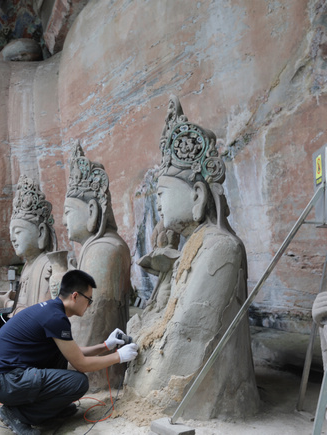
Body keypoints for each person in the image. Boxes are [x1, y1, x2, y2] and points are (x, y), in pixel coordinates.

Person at [125, 96, 259, 419]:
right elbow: (166, 316)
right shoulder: (192, 247)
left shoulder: (220, 249)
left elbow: (188, 336)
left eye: (162, 193)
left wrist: (140, 345)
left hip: (204, 397)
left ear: (197, 195)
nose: (158, 204)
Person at [0, 270, 138, 435]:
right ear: (75, 296)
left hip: (7, 377)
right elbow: (81, 364)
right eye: (89, 300)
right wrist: (119, 356)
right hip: (6, 381)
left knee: (59, 355)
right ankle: (16, 415)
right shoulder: (55, 318)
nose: (89, 305)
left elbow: (73, 352)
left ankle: (49, 409)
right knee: (79, 383)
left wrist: (106, 346)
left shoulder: (53, 311)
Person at [62, 141, 132, 389]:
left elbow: (87, 322)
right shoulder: (97, 247)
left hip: (95, 376)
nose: (63, 221)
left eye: (68, 212)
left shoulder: (104, 250)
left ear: (92, 210)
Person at [0, 175, 57, 350]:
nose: (13, 239)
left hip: (35, 337)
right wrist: (9, 298)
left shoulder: (47, 266)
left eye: (18, 232)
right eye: (11, 234)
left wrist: (6, 304)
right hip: (21, 327)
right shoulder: (27, 266)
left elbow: (40, 315)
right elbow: (23, 302)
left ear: (40, 232)